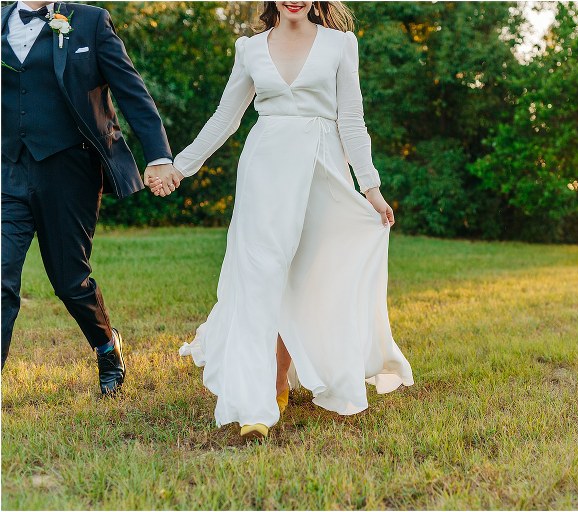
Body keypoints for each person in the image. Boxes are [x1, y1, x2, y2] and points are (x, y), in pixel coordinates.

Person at [149, 0, 414, 441]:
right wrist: (181, 166)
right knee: (261, 275)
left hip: (320, 171)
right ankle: (260, 396)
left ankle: (285, 374)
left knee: (305, 277)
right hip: (265, 170)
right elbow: (225, 118)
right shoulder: (249, 49)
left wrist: (370, 187)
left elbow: (351, 120)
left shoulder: (340, 45)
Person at [0, 1, 178, 394]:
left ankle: (105, 345)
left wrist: (159, 156)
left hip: (70, 171)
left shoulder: (91, 22)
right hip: (7, 169)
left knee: (69, 279)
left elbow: (131, 90)